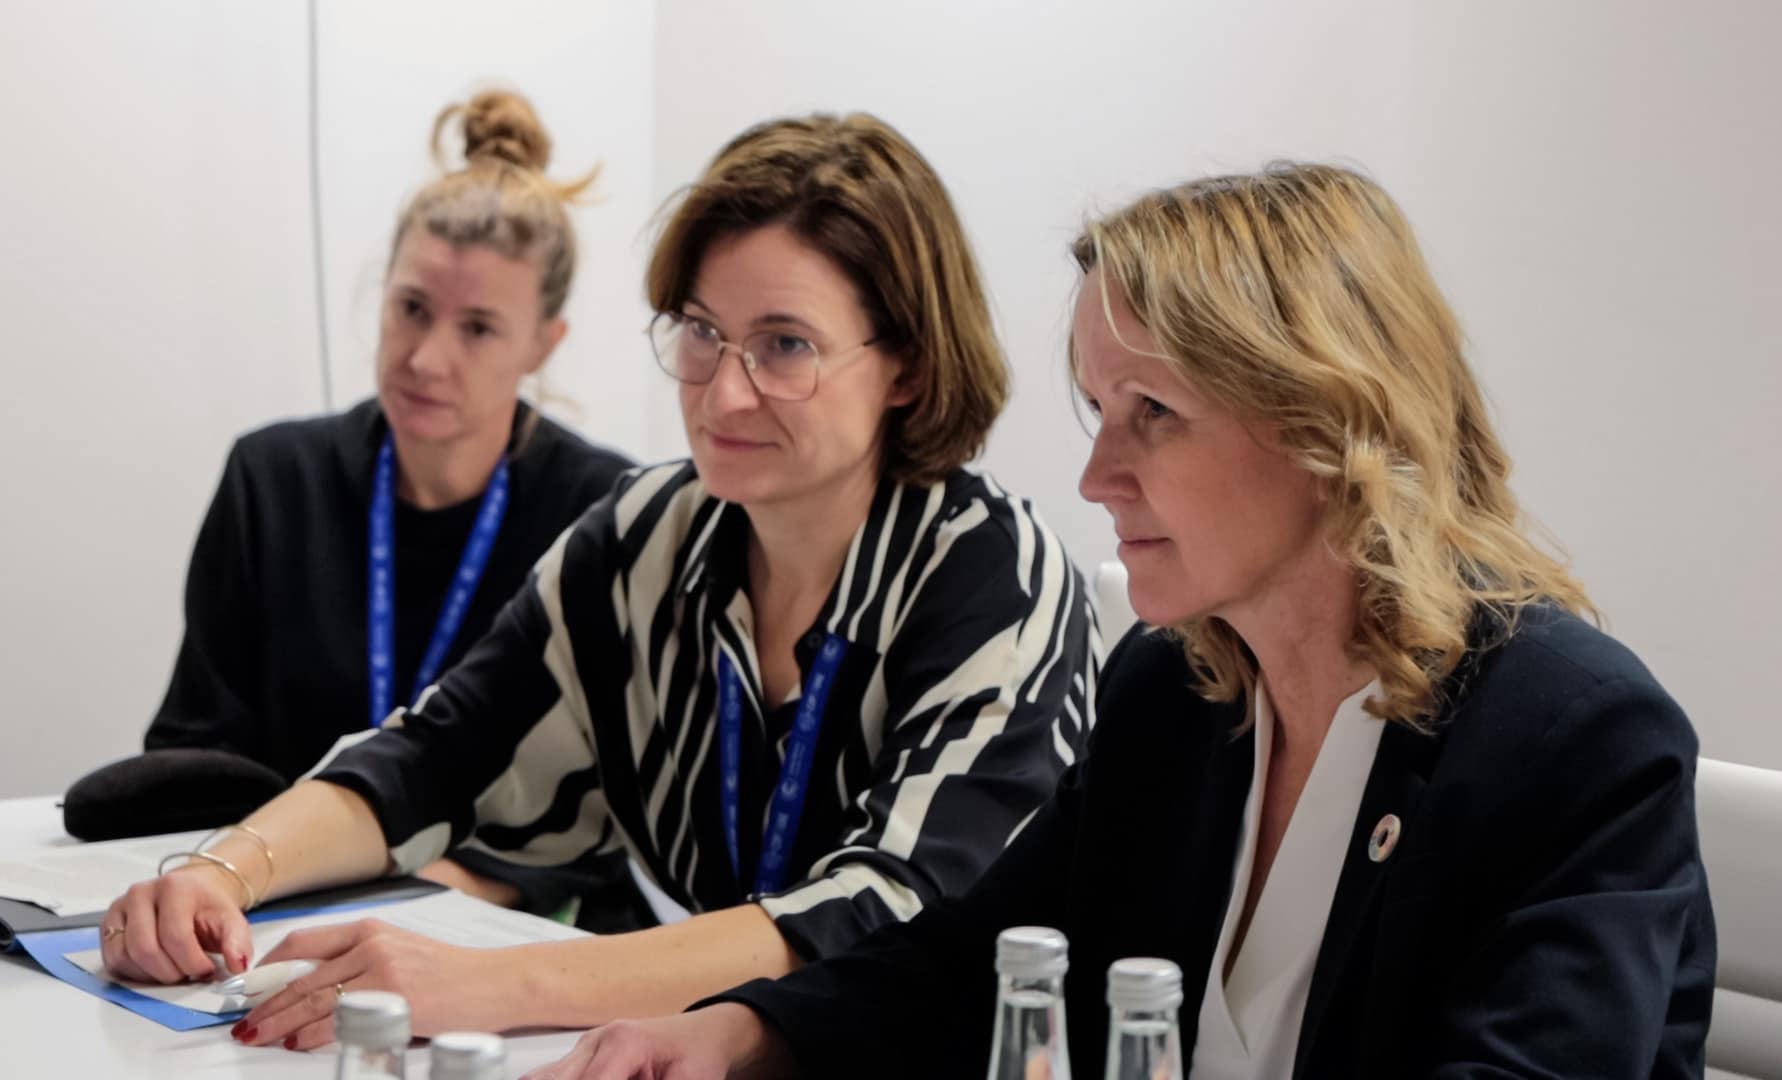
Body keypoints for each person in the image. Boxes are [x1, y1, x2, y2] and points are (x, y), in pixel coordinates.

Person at [524, 164, 1716, 1079]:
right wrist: (733, 1037)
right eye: (1099, 409)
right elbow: (969, 965)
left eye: (1153, 411)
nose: (1097, 476)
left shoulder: (1575, 740)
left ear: (1329, 426)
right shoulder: (1177, 692)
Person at [100, 112, 1098, 1051]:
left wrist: (495, 984)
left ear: (908, 369)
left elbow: (888, 909)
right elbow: (437, 756)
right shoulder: (645, 534)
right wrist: (222, 870)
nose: (723, 392)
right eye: (701, 330)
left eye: (785, 345)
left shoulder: (994, 575)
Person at [121, 88, 641, 918]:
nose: (427, 358)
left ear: (544, 344)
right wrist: (232, 880)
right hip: (268, 905)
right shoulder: (273, 477)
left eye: (477, 328)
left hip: (493, 923)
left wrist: (420, 898)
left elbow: (613, 813)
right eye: (412, 309)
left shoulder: (600, 511)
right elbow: (194, 749)